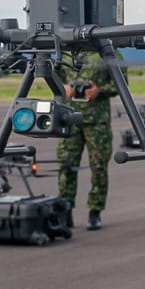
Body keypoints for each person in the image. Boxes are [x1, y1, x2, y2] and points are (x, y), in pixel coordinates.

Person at [57, 50, 123, 230]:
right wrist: (63, 88)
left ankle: (95, 211)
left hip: (97, 120)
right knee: (66, 165)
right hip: (70, 118)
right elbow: (52, 76)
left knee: (99, 166)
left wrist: (99, 91)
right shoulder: (63, 54)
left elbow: (121, 84)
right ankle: (65, 211)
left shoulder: (107, 51)